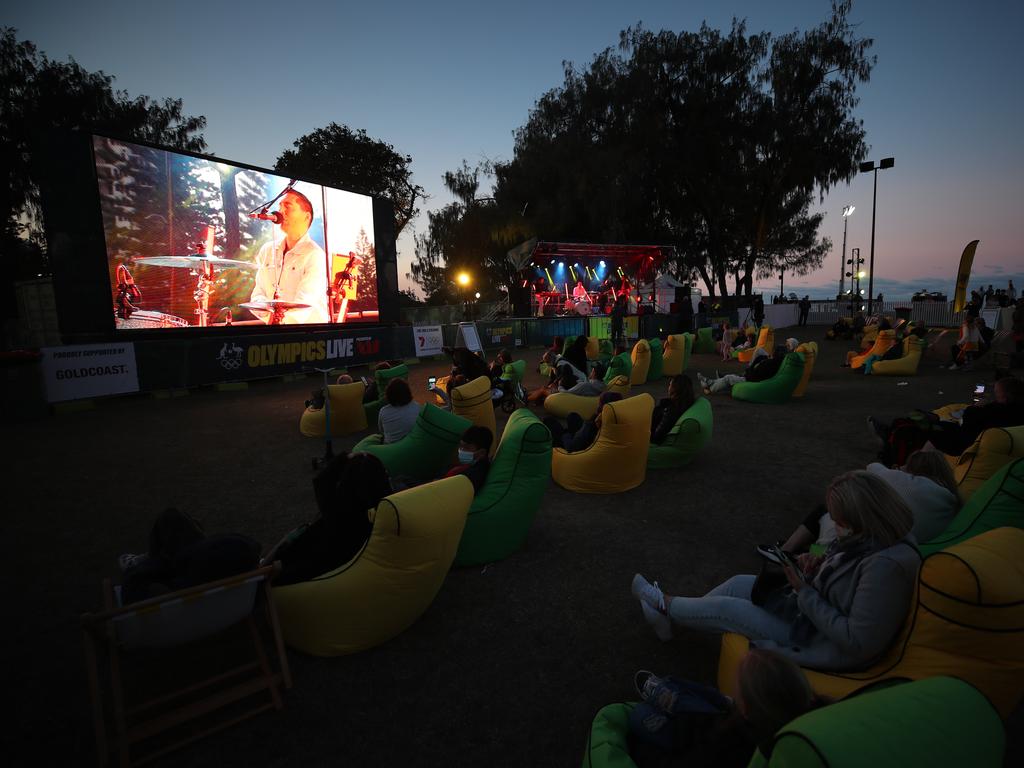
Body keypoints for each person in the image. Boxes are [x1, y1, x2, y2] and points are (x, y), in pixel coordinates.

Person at [632, 471, 920, 672]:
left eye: (838, 519)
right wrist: (814, 560)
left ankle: (662, 603)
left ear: (861, 517)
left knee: (728, 608)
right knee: (738, 584)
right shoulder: (867, 539)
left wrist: (805, 592)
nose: (835, 523)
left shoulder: (886, 568)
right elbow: (838, 561)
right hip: (808, 614)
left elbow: (858, 642)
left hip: (818, 640)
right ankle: (674, 620)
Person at [626, 650, 827, 767]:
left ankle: (667, 707)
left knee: (638, 715)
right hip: (718, 720)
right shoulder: (816, 717)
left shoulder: (727, 747)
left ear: (747, 709)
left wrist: (636, 747)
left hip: (688, 737)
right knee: (709, 698)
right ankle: (669, 695)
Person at [771, 449, 959, 557]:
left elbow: (872, 467)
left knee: (829, 515)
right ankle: (802, 552)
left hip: (866, 544)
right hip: (900, 550)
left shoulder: (906, 481)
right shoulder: (949, 504)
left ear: (912, 469)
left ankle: (789, 551)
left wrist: (897, 470)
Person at [262, 452, 392, 586]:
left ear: (346, 481)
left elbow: (322, 481)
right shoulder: (380, 519)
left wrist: (344, 457)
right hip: (322, 568)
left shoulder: (336, 512)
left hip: (294, 574)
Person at [118, 508, 261, 604]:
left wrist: (160, 562)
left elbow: (132, 585)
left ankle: (152, 557)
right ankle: (155, 556)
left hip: (182, 578)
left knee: (170, 518)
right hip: (202, 570)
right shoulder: (248, 555)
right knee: (173, 517)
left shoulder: (168, 586)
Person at [249, 188, 329, 325]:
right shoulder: (267, 250)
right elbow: (257, 295)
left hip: (310, 337)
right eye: (280, 206)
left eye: (288, 206)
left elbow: (304, 304)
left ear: (307, 216)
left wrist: (279, 322)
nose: (281, 212)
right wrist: (270, 318)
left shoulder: (315, 255)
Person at [543, 391, 622, 452]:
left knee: (549, 421)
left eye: (599, 403)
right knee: (572, 416)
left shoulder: (594, 424)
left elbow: (572, 447)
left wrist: (566, 435)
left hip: (578, 447)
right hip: (587, 440)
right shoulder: (620, 422)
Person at [697, 345, 788, 395]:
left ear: (775, 353)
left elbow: (755, 375)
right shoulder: (775, 362)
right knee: (731, 377)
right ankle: (709, 382)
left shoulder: (768, 364)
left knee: (729, 378)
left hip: (751, 380)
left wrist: (747, 373)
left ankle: (710, 387)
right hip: (753, 377)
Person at [443, 425, 492, 494]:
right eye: (461, 446)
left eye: (467, 448)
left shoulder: (474, 475)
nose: (461, 451)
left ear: (482, 453)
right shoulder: (469, 465)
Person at [651, 375, 696, 445]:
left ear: (675, 389)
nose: (668, 388)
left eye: (670, 385)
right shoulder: (683, 404)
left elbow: (657, 435)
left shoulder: (670, 411)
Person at [376, 379, 420, 443]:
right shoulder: (416, 406)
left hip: (391, 448)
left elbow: (381, 430)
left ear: (388, 394)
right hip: (411, 445)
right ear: (407, 392)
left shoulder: (383, 411)